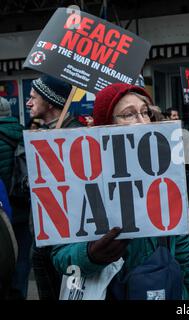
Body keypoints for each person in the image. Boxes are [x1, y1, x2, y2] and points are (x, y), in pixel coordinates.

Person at [51, 83, 189, 300]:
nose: (143, 121)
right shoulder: (82, 181)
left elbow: (182, 249)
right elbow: (60, 258)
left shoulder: (164, 174)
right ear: (106, 125)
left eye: (145, 112)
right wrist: (90, 255)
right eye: (129, 115)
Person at [27, 75, 83, 300]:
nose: (28, 103)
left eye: (33, 98)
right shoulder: (45, 134)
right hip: (45, 237)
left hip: (64, 242)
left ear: (50, 102)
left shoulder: (74, 135)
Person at [0, 97, 29, 300]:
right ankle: (19, 294)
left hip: (2, 210)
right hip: (22, 206)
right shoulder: (23, 133)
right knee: (22, 259)